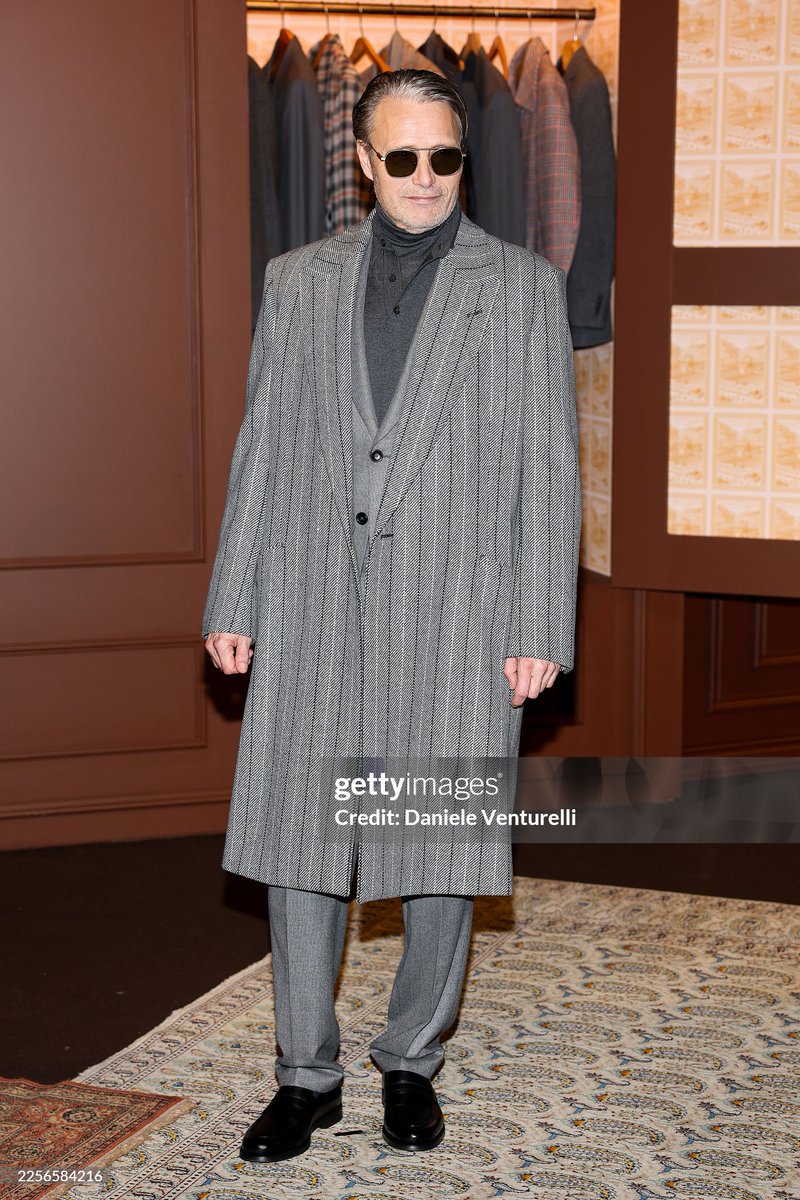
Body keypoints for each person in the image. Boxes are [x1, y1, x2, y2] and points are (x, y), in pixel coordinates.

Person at [202, 68, 581, 1162]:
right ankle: (304, 1078)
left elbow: (547, 468)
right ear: (365, 162)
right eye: (401, 157)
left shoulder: (520, 288)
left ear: (464, 159)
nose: (424, 177)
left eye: (444, 156)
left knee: (439, 848)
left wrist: (538, 621)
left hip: (460, 606)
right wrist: (236, 593)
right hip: (313, 595)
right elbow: (262, 446)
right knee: (300, 846)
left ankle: (411, 1061)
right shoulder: (297, 280)